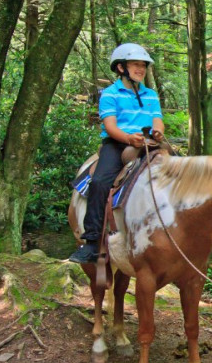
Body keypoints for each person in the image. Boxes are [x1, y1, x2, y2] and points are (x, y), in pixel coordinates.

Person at [69, 43, 164, 263]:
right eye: (135, 65)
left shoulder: (150, 95)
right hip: (117, 144)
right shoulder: (110, 94)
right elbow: (111, 127)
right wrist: (129, 138)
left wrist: (158, 132)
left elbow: (157, 120)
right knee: (100, 181)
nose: (140, 69)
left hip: (149, 144)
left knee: (183, 170)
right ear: (121, 68)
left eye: (143, 65)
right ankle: (92, 242)